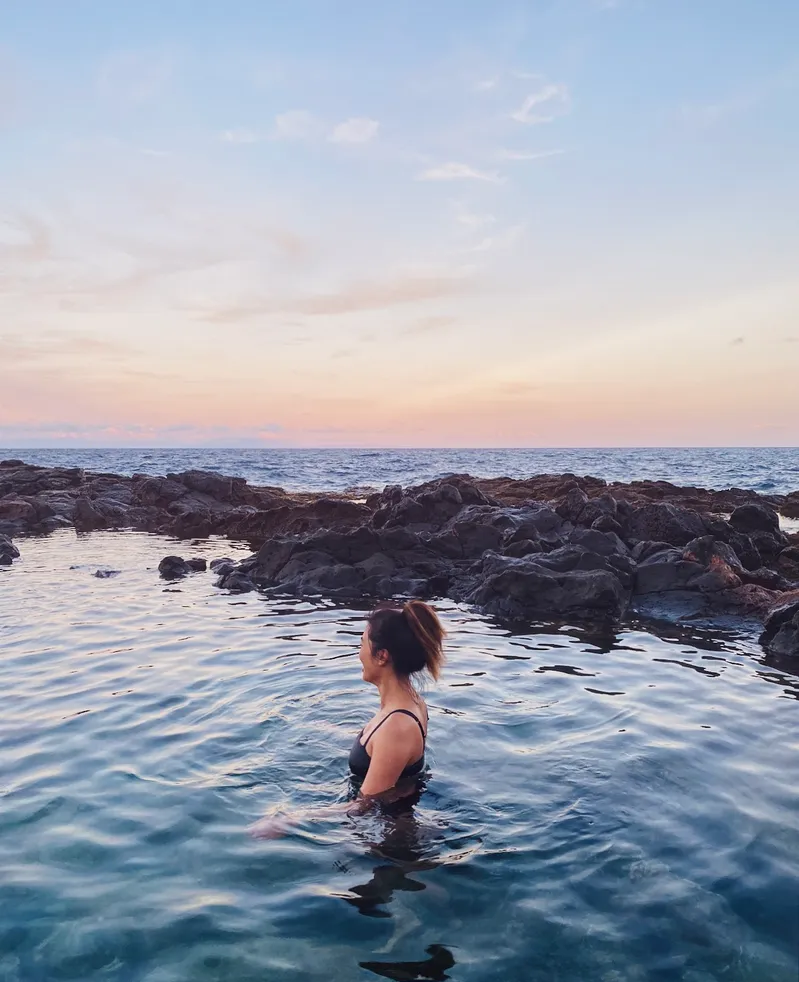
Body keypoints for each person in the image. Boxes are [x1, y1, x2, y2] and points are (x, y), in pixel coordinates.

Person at [250, 600, 445, 838]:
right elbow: (388, 755)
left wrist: (289, 821)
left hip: (390, 843)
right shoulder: (410, 703)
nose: (358, 653)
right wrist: (329, 732)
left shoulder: (397, 726)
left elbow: (364, 805)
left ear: (382, 656)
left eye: (362, 643)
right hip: (393, 829)